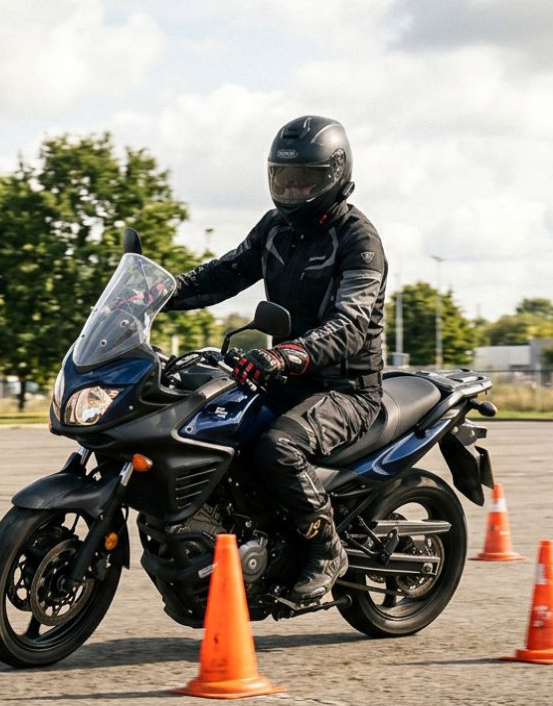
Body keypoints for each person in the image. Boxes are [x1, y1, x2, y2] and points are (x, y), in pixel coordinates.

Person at [164, 115, 388, 602]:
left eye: (304, 180)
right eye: (282, 179)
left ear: (334, 176)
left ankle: (327, 547)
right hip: (286, 375)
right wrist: (160, 292)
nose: (291, 190)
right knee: (212, 425)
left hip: (345, 388)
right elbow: (224, 273)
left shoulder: (358, 241)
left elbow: (350, 323)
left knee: (277, 448)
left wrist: (288, 355)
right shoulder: (275, 229)